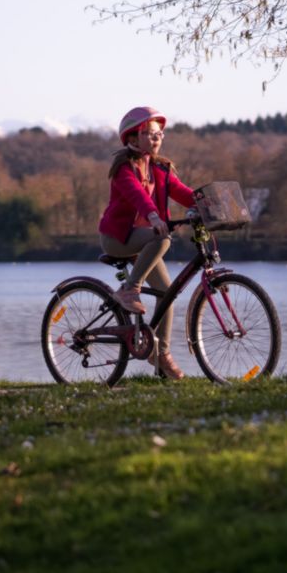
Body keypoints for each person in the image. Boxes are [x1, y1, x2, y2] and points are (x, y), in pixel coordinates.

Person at [98, 105, 197, 380]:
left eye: (160, 133)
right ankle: (130, 290)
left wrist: (210, 203)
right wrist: (154, 215)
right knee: (163, 237)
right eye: (150, 133)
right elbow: (137, 195)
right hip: (117, 239)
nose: (157, 138)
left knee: (167, 293)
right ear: (133, 137)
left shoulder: (160, 168)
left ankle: (160, 355)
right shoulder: (124, 168)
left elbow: (183, 192)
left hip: (143, 240)